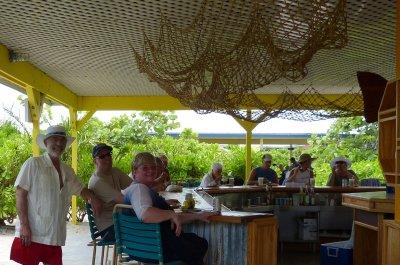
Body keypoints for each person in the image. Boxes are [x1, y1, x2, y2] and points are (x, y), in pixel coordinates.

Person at [10, 125, 102, 265]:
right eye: (54, 139)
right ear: (46, 142)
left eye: (62, 140)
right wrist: (24, 225)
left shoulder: (67, 170)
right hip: (32, 233)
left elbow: (81, 190)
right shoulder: (33, 164)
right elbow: (20, 194)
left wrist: (93, 198)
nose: (59, 144)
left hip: (54, 236)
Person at [123, 152, 215, 265]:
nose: (151, 171)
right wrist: (171, 214)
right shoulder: (139, 189)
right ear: (135, 172)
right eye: (145, 168)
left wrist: (197, 216)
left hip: (142, 247)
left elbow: (165, 216)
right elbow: (145, 214)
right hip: (155, 249)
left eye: (153, 168)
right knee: (198, 245)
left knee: (197, 242)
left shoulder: (137, 189)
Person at [88, 143, 132, 242]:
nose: (107, 158)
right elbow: (124, 201)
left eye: (108, 154)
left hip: (120, 219)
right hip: (109, 227)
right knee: (150, 226)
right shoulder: (97, 181)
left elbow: (135, 187)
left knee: (152, 221)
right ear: (95, 161)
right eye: (102, 156)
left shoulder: (114, 171)